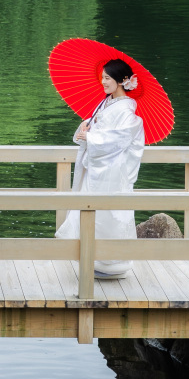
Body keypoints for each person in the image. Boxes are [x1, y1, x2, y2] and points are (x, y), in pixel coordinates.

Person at [55, 58, 145, 279]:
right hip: (96, 168)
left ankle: (112, 264)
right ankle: (91, 258)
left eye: (107, 78)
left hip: (112, 172)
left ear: (122, 80)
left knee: (109, 215)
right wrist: (87, 127)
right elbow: (102, 129)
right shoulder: (107, 103)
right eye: (102, 77)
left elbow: (120, 138)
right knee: (90, 211)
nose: (103, 82)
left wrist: (92, 138)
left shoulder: (127, 111)